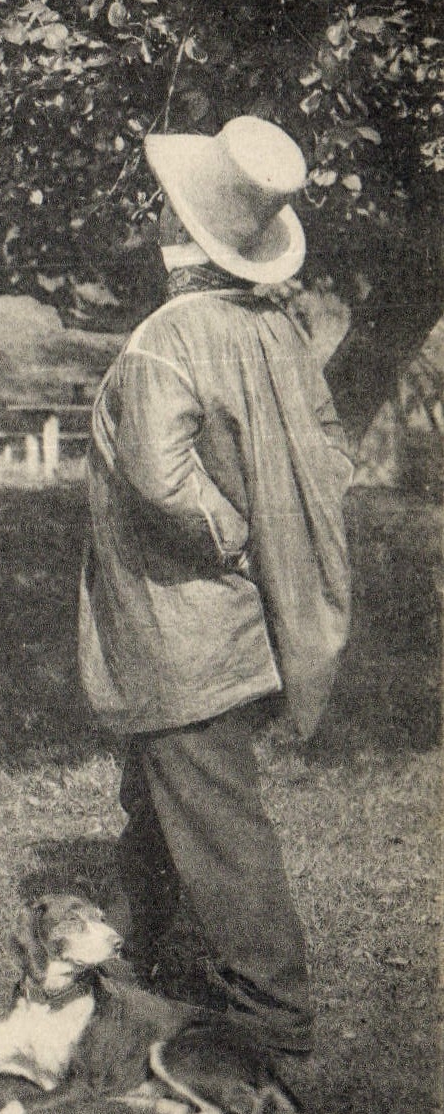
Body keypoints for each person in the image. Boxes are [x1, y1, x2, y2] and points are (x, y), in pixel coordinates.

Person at [78, 115, 353, 1058]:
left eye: (161, 206)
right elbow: (330, 454)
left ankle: (271, 1015)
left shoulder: (164, 341)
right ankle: (122, 954)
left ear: (176, 231)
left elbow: (160, 482)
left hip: (183, 622)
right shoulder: (275, 327)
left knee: (214, 817)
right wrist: (277, 544)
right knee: (163, 794)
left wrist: (232, 538)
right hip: (245, 622)